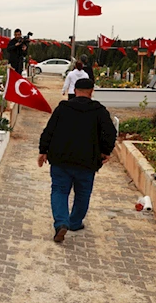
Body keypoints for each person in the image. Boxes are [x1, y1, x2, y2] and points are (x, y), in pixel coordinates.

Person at [38, 78, 116, 243]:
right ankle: (74, 223)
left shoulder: (63, 108)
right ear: (91, 91)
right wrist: (105, 151)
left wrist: (43, 150)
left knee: (59, 191)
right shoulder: (99, 111)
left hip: (61, 159)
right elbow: (110, 132)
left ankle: (61, 223)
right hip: (87, 161)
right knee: (82, 193)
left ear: (75, 90)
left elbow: (49, 130)